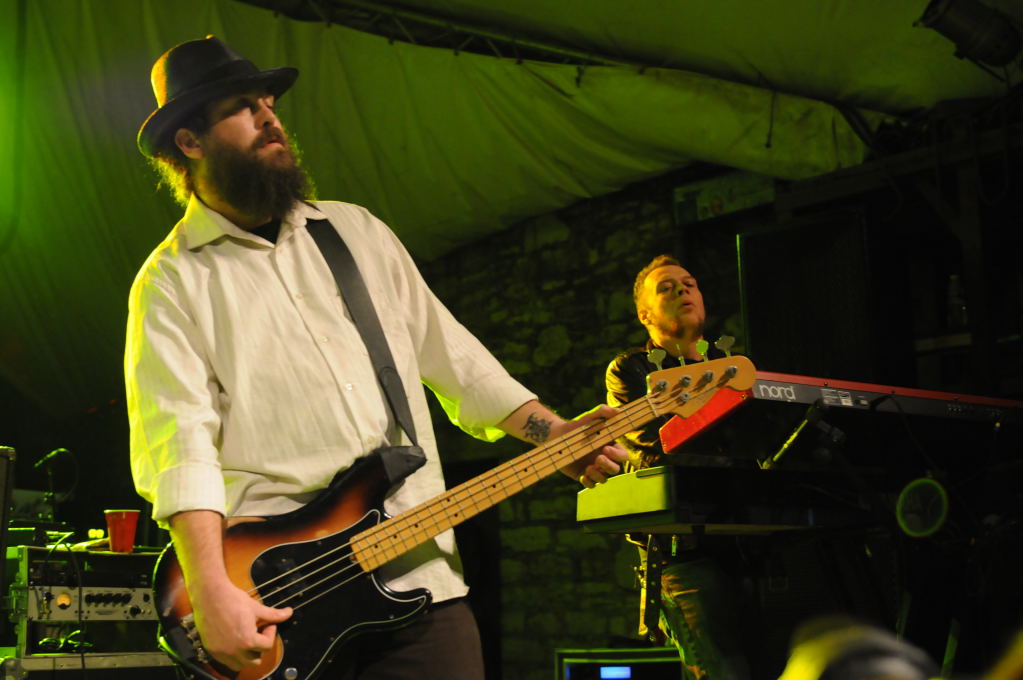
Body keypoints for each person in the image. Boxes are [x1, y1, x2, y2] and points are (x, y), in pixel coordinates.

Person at [126, 36, 626, 679]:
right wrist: (210, 590)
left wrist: (551, 434)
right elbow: (179, 445)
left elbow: (455, 357)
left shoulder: (354, 232)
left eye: (269, 101)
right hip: (274, 601)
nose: (269, 117)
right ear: (190, 141)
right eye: (242, 107)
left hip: (422, 583)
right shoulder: (171, 281)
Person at [605, 254, 750, 680]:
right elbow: (656, 447)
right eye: (666, 288)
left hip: (752, 539)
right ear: (645, 314)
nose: (683, 290)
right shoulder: (630, 369)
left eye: (690, 283)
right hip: (684, 551)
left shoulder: (733, 363)